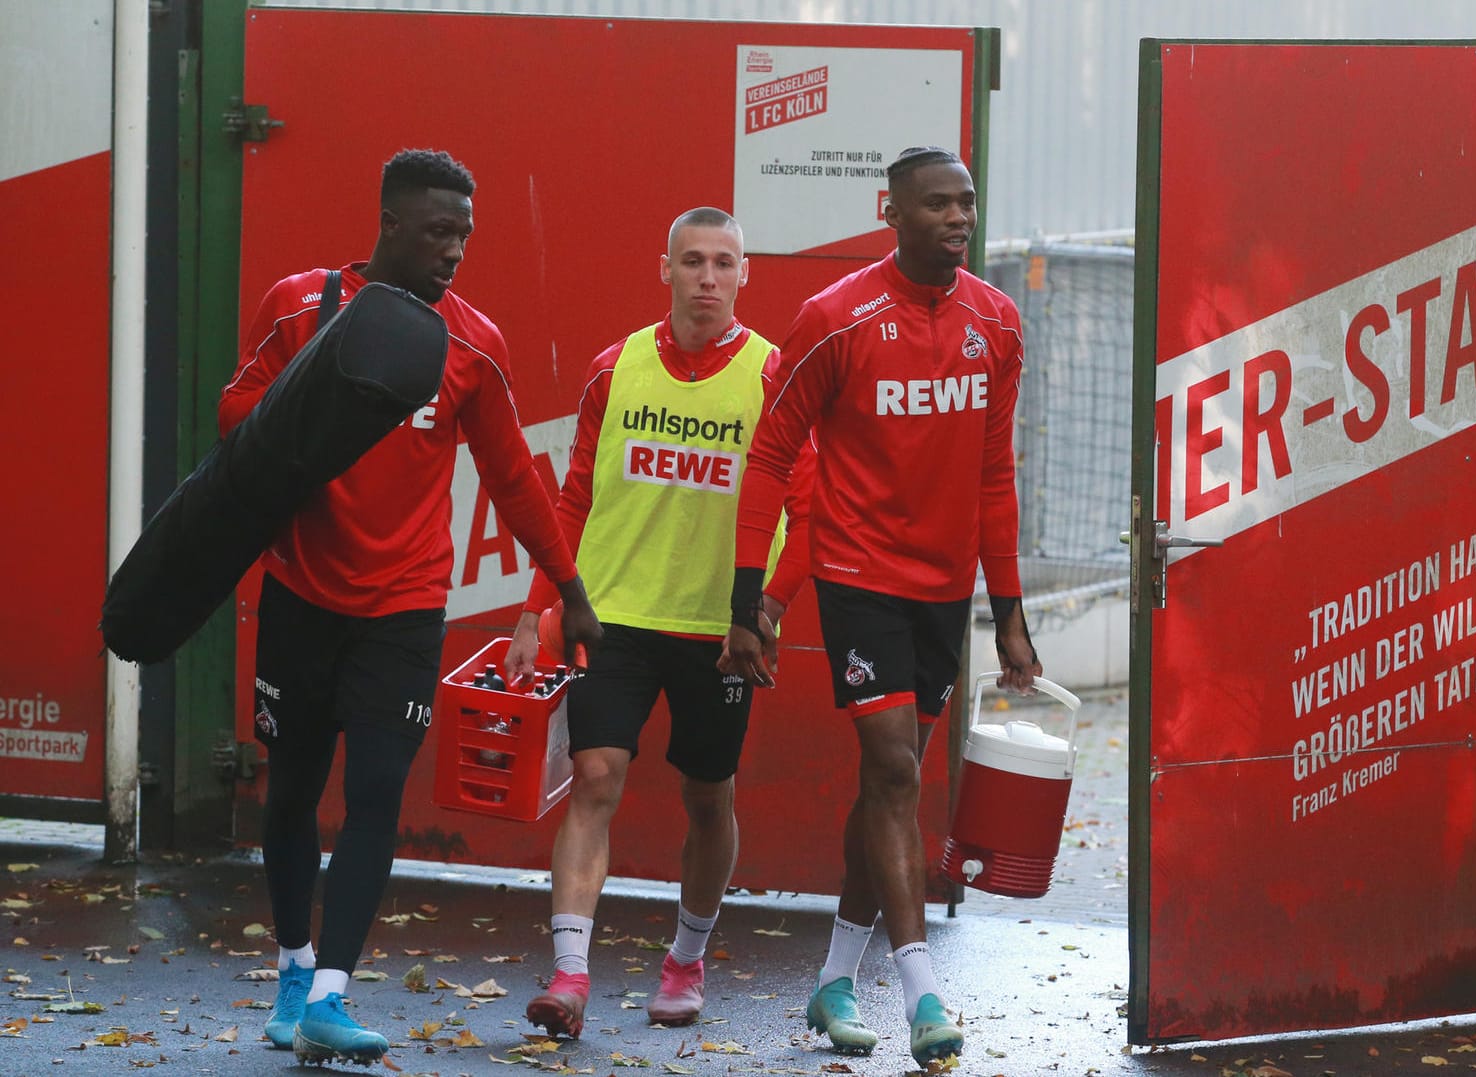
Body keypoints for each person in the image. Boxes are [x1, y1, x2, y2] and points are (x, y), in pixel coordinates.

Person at [220, 149, 603, 1065]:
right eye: (438, 231)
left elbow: (515, 478)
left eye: (465, 234)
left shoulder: (472, 344)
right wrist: (311, 396)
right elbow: (234, 421)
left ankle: (331, 993)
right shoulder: (298, 305)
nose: (455, 250)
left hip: (404, 602)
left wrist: (569, 592)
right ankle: (292, 962)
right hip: (302, 590)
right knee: (293, 792)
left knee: (378, 795)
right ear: (389, 224)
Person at [720, 146, 1041, 1067]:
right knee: (896, 774)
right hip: (857, 577)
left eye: (966, 203)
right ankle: (920, 995)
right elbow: (771, 457)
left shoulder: (998, 323)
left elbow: (993, 473)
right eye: (935, 204)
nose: (956, 218)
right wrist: (752, 603)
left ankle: (829, 981)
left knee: (884, 791)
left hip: (943, 592)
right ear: (889, 212)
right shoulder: (834, 318)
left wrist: (1007, 608)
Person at [510, 207, 808, 1041]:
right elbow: (572, 497)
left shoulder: (771, 375)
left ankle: (685, 957)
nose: (707, 278)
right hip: (615, 616)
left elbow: (810, 506)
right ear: (665, 269)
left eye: (723, 263)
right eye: (692, 262)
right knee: (595, 776)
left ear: (745, 274)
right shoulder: (615, 368)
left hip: (719, 632)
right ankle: (569, 974)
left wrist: (768, 605)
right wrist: (541, 603)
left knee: (707, 797)